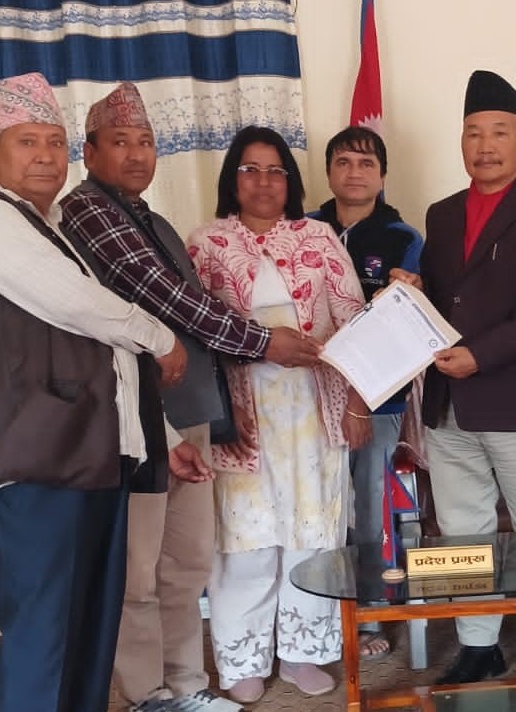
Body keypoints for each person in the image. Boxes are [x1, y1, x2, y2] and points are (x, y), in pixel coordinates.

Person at [61, 84, 317, 712]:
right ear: (90, 151)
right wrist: (265, 341)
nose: (137, 154)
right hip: (138, 420)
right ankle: (147, 695)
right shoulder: (86, 211)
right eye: (120, 142)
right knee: (139, 574)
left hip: (190, 415)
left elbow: (194, 311)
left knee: (186, 566)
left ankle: (186, 686)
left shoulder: (153, 221)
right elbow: (173, 302)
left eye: (146, 142)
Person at [0, 72, 184, 712]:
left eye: (54, 142)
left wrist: (159, 434)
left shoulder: (51, 227)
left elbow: (107, 357)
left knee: (88, 634)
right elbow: (79, 305)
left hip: (90, 458)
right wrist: (160, 337)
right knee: (45, 637)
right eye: (27, 142)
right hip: (37, 463)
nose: (46, 155)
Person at [187, 125, 370, 704]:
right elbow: (192, 332)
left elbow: (355, 321)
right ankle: (243, 658)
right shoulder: (206, 243)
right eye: (250, 169)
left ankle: (303, 653)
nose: (263, 182)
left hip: (314, 408)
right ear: (232, 178)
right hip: (239, 415)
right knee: (247, 540)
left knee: (313, 536)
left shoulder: (318, 237)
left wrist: (358, 402)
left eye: (275, 171)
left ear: (289, 181)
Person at [412, 70, 516, 684]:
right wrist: (411, 290)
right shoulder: (441, 215)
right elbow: (442, 300)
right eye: (474, 133)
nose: (485, 145)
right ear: (461, 141)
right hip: (448, 403)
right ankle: (478, 644)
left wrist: (480, 355)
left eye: (499, 132)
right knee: (461, 529)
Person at [307, 126, 423, 660]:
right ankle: (319, 615)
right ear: (329, 171)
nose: (354, 172)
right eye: (344, 162)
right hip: (310, 396)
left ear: (382, 175)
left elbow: (405, 322)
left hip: (379, 399)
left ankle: (371, 613)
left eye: (366, 163)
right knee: (317, 506)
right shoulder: (303, 230)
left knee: (369, 508)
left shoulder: (404, 238)